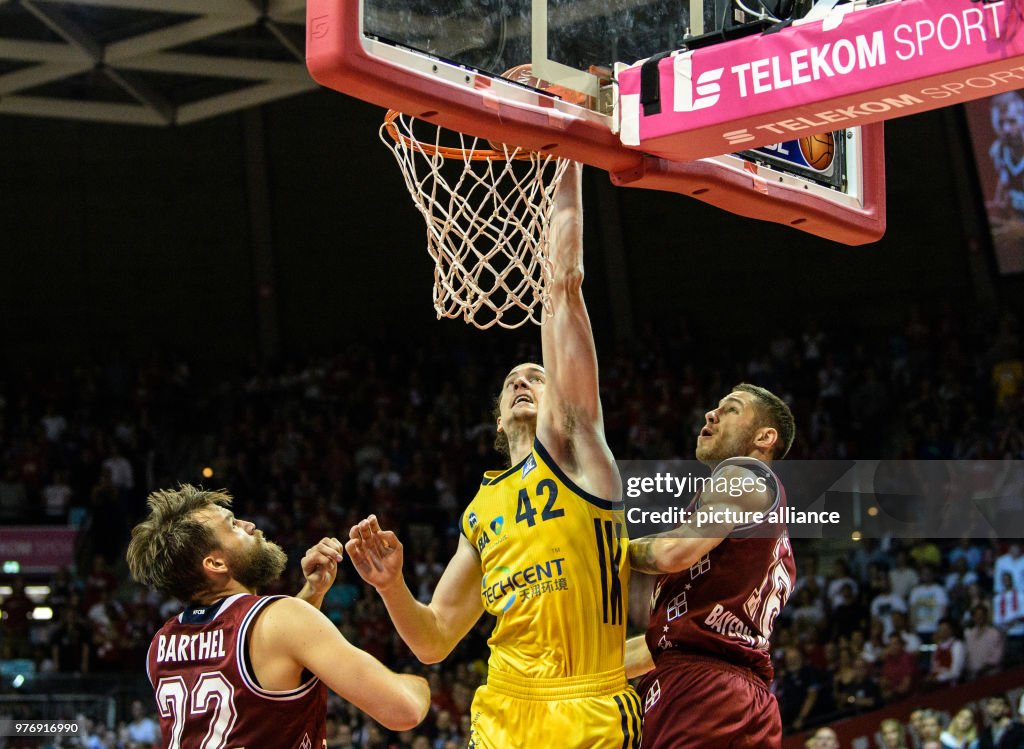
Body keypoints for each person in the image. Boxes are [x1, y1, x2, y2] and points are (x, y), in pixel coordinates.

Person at [345, 163, 639, 749]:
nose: (524, 382)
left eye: (538, 374)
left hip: (589, 703)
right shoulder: (483, 508)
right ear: (499, 418)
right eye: (512, 382)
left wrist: (568, 161)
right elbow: (432, 641)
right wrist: (391, 585)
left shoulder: (581, 452)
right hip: (504, 708)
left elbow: (566, 283)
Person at [126, 485, 430, 748]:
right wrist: (423, 682)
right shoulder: (281, 620)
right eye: (232, 525)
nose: (249, 525)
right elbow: (404, 711)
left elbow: (261, 660)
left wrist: (312, 592)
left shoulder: (161, 645)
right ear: (215, 563)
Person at [625, 383, 797, 748]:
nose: (711, 414)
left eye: (732, 409)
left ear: (765, 437)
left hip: (702, 693)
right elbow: (667, 642)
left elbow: (673, 553)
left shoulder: (741, 475)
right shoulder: (764, 536)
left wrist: (609, 553)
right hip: (741, 698)